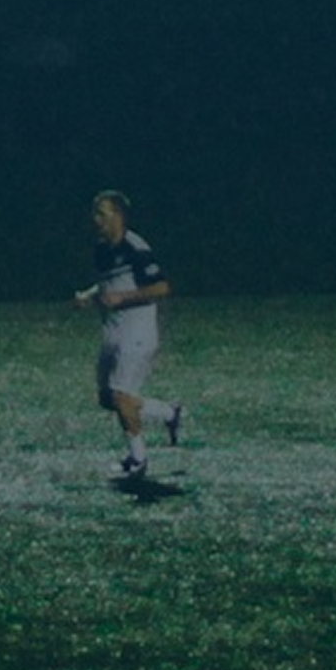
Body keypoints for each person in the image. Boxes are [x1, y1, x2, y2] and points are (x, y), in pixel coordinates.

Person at [77, 191, 187, 486]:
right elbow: (107, 283)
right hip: (113, 331)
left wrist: (123, 298)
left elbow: (162, 287)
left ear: (119, 215)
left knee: (122, 396)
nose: (95, 219)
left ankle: (138, 460)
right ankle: (168, 412)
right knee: (107, 399)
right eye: (95, 213)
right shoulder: (101, 248)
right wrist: (90, 294)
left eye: (102, 213)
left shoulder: (135, 247)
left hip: (137, 331)